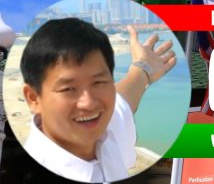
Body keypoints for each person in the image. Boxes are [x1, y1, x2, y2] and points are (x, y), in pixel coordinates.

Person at [19, 17, 177, 183]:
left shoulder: (102, 133)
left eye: (99, 82)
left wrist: (144, 67)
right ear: (33, 98)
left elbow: (123, 101)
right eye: (68, 89)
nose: (89, 103)